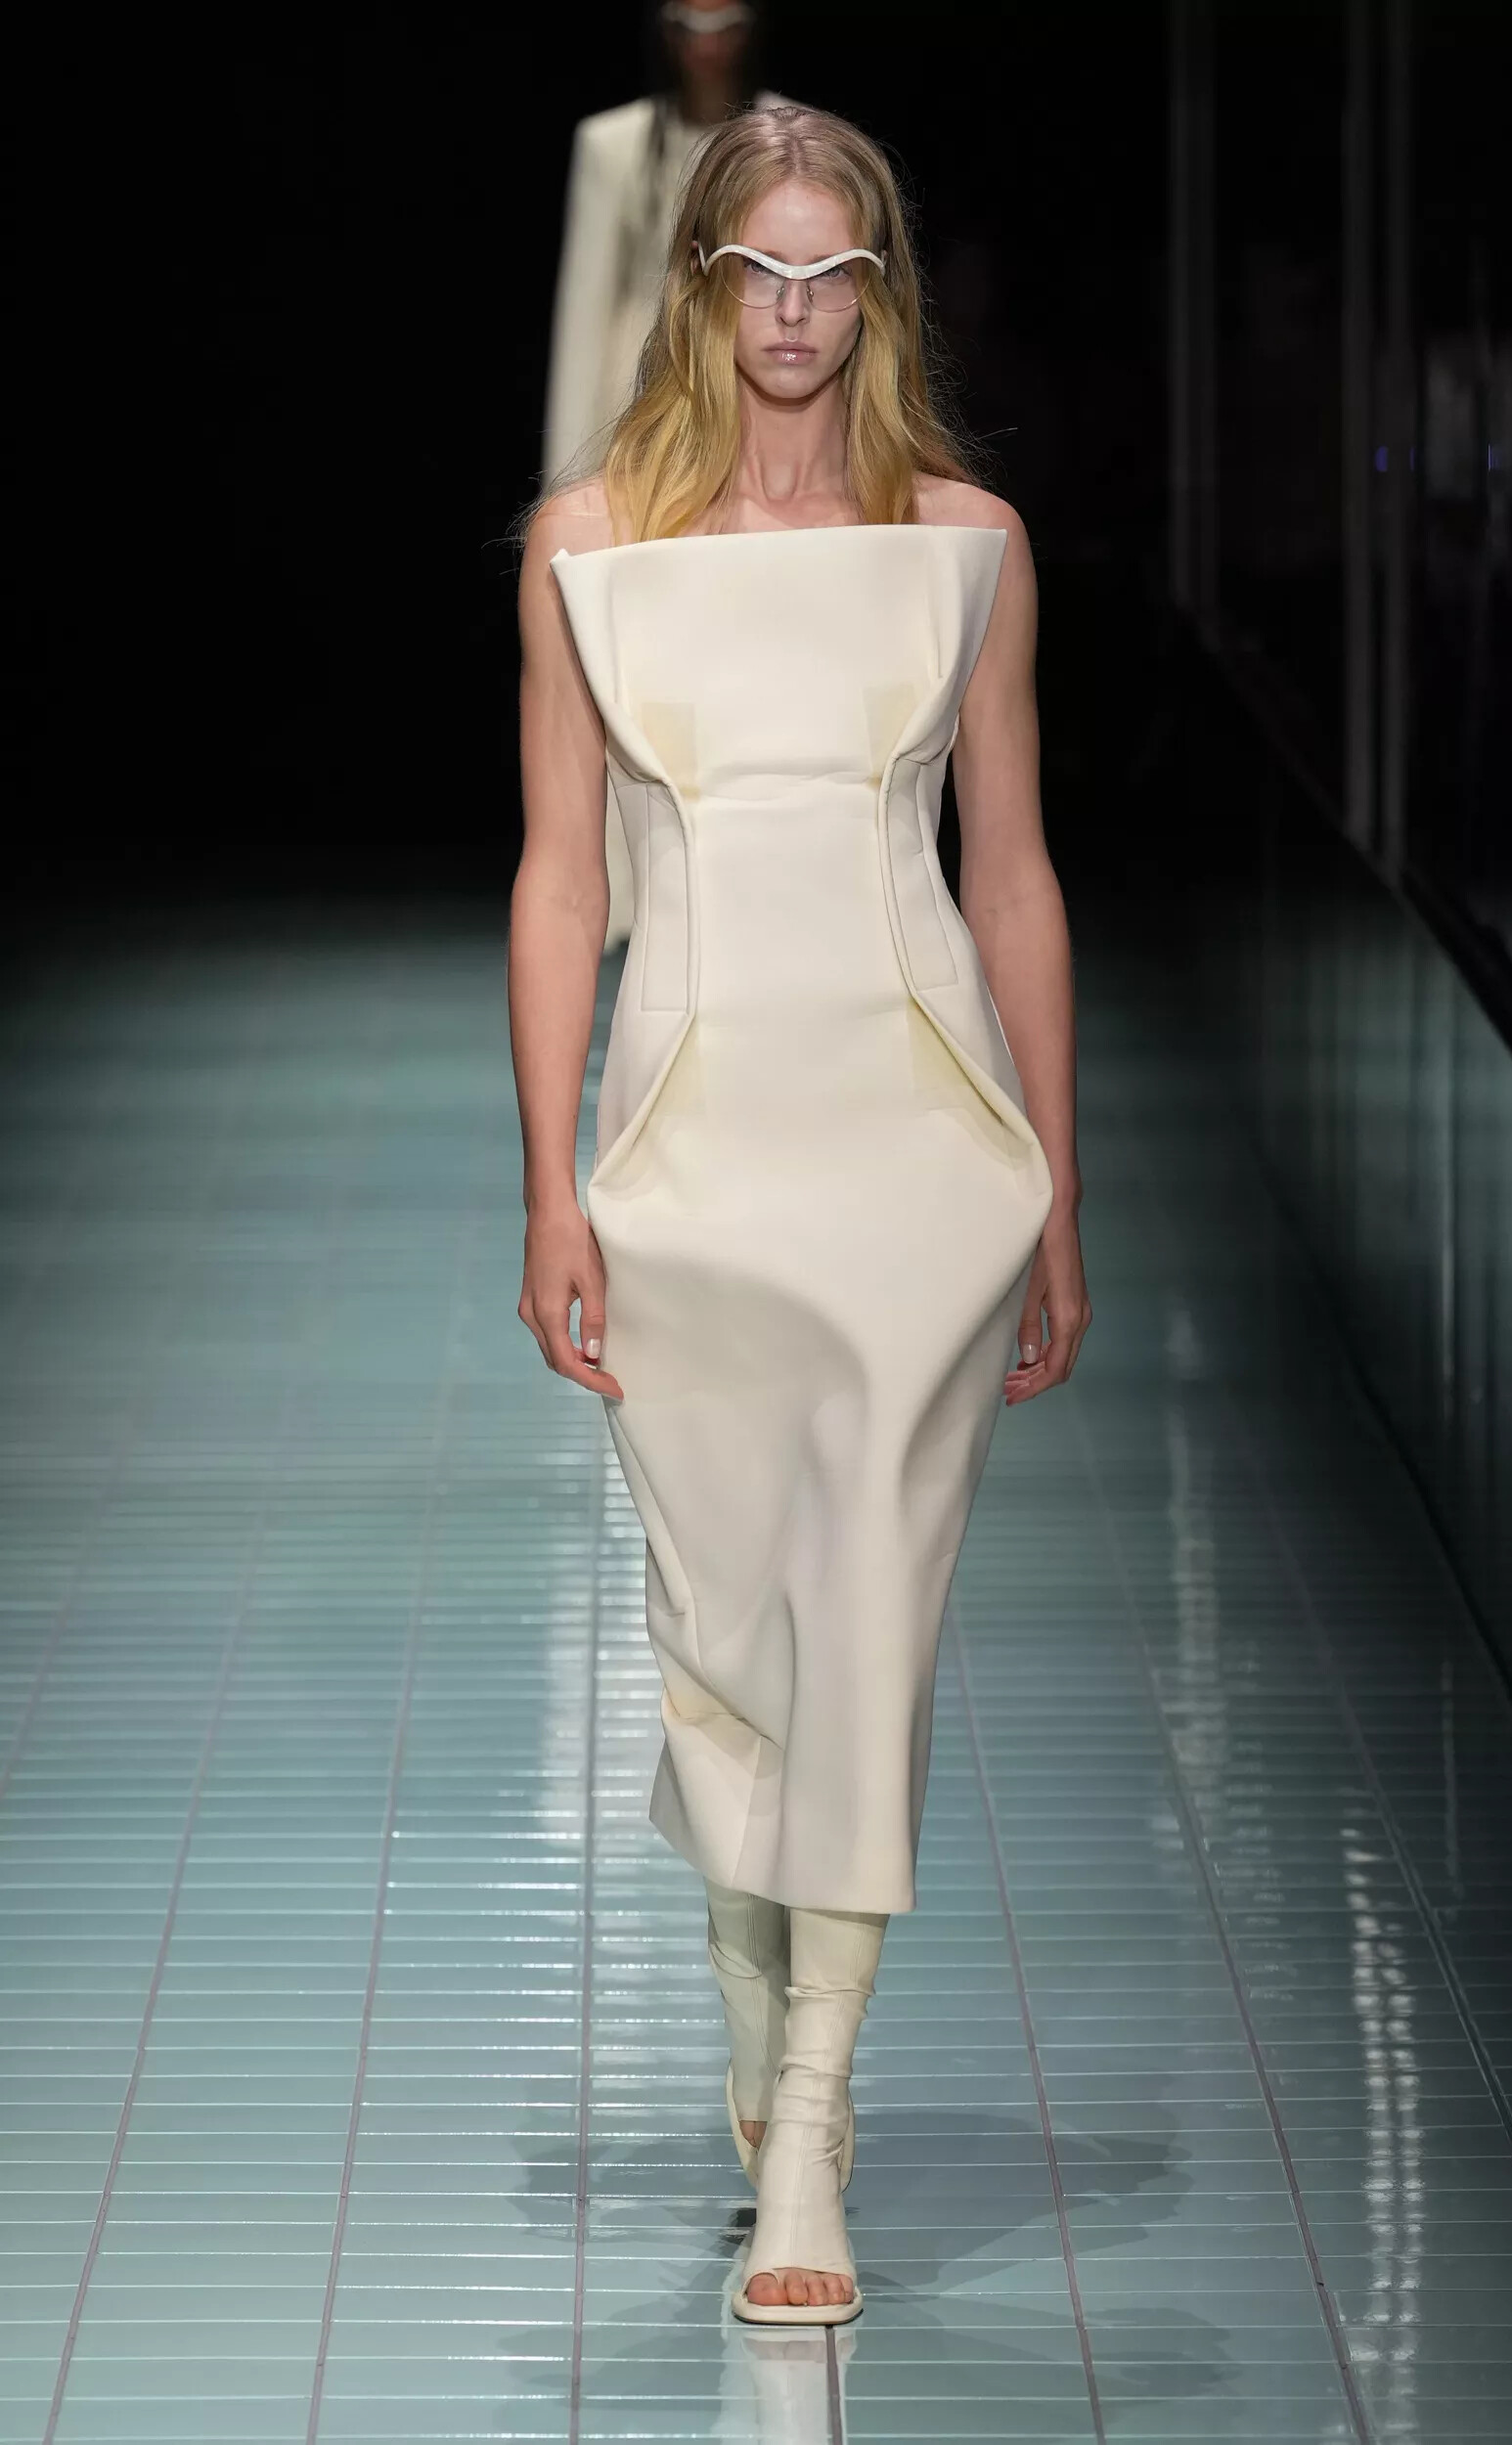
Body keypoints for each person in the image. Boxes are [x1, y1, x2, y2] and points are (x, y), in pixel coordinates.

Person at [510, 104, 1090, 2327]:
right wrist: (549, 1186)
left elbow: (1009, 871)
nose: (789, 312)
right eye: (753, 269)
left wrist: (1057, 1189)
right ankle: (752, 1972)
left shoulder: (965, 544)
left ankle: (817, 2112)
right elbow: (559, 876)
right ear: (696, 285)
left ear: (876, 291)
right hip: (689, 1139)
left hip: (918, 1150)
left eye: (827, 272)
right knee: (721, 1610)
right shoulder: (592, 547)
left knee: (868, 1607)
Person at [544, 1, 769, 949]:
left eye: (724, 20)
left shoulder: (785, 137)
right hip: (633, 419)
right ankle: (630, 890)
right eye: (689, 21)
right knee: (629, 661)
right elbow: (583, 307)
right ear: (663, 32)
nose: (708, 43)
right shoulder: (612, 146)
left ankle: (737, 877)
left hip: (757, 408)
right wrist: (565, 487)